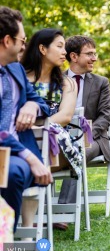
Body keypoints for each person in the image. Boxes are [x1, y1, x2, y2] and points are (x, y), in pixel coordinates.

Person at [20, 28, 80, 229]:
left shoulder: (67, 83)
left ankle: (30, 222)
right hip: (25, 144)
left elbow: (65, 116)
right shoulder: (20, 79)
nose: (65, 52)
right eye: (60, 46)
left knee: (30, 160)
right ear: (43, 49)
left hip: (57, 147)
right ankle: (31, 221)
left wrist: (39, 127)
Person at [0, 6, 52, 231]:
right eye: (21, 40)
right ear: (6, 41)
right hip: (14, 156)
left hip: (18, 152)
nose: (24, 45)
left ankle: (7, 250)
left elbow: (41, 103)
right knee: (12, 171)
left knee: (14, 171)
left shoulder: (16, 70)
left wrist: (31, 105)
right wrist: (30, 157)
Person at [56, 35, 110, 227]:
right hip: (61, 137)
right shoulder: (56, 81)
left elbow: (105, 116)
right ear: (73, 56)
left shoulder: (101, 83)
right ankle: (41, 209)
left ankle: (62, 213)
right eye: (89, 54)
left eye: (94, 53)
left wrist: (85, 136)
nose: (94, 58)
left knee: (77, 154)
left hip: (94, 140)